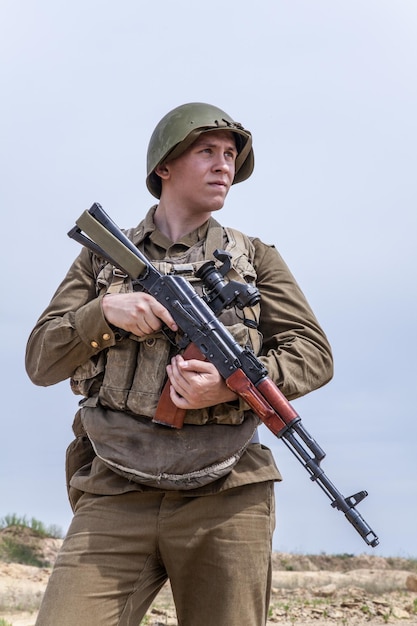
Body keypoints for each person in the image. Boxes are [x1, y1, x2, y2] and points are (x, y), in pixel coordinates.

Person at [26, 102, 333, 626]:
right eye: (206, 152)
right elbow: (41, 359)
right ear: (164, 166)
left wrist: (230, 386)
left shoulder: (255, 259)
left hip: (227, 493)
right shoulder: (103, 258)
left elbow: (313, 353)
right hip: (115, 488)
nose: (224, 167)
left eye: (231, 156)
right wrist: (105, 312)